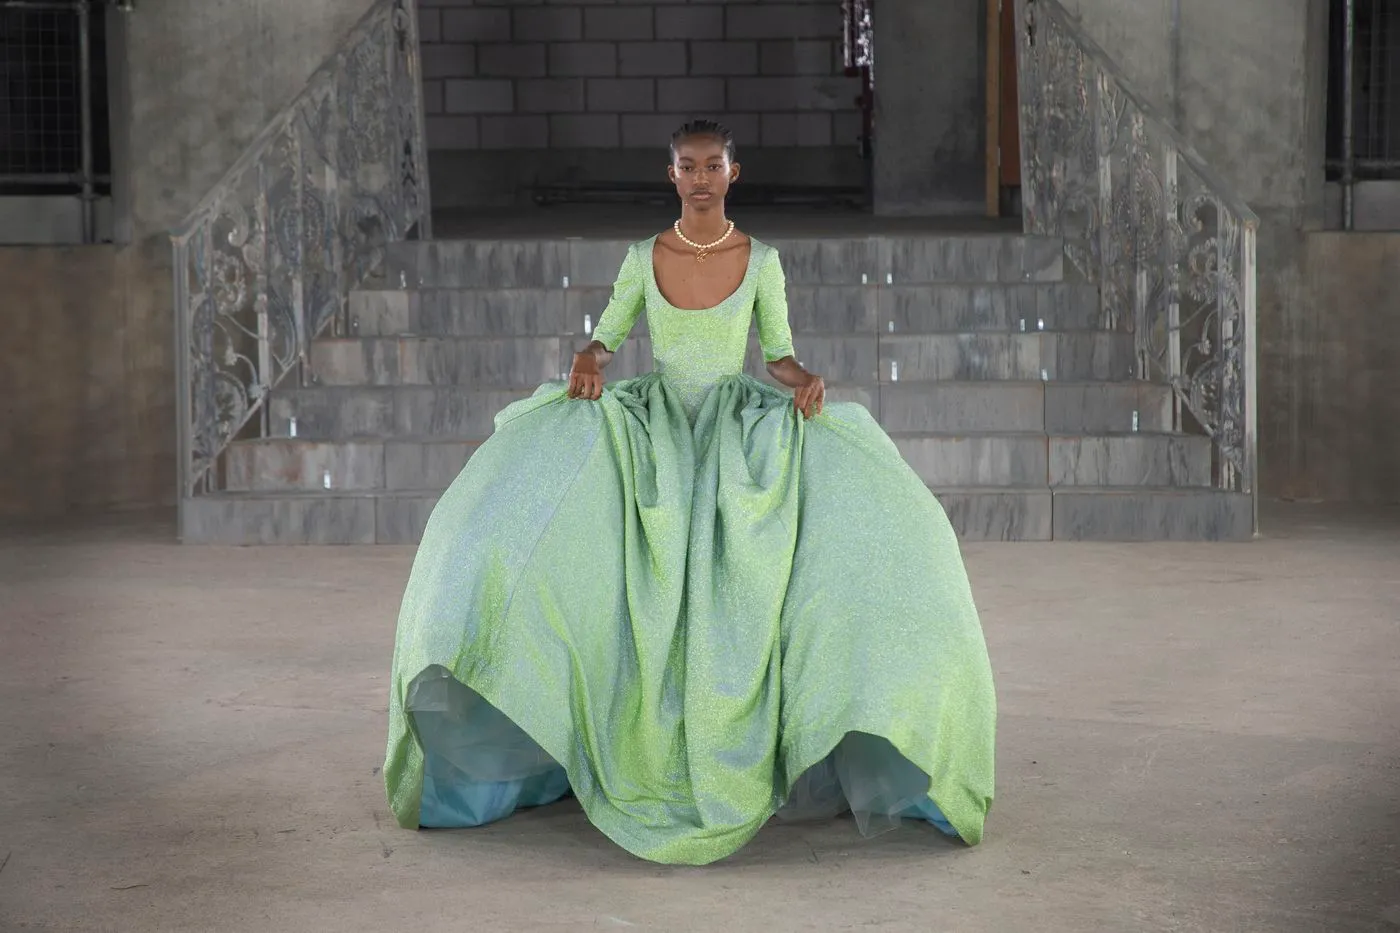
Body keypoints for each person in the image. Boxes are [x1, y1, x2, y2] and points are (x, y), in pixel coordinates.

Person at [383, 119, 996, 866]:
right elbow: (609, 334)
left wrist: (802, 379)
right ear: (670, 174)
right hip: (658, 422)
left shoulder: (761, 259)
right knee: (534, 524)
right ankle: (563, 726)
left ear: (734, 172)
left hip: (735, 426)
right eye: (687, 166)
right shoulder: (645, 257)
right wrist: (589, 354)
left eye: (713, 165)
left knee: (878, 528)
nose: (700, 177)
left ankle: (848, 724)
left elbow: (776, 353)